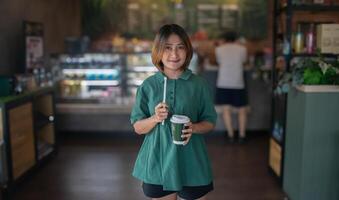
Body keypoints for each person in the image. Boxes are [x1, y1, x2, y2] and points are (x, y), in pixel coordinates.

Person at [130, 24, 217, 200]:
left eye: (180, 48)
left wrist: (193, 128)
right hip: (158, 162)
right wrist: (155, 118)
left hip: (192, 161)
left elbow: (209, 122)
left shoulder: (198, 85)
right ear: (158, 51)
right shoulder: (148, 86)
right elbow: (138, 128)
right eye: (167, 48)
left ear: (187, 51)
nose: (174, 54)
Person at [215, 31, 249, 144]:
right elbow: (244, 61)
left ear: (224, 39)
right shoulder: (242, 48)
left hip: (223, 82)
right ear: (235, 38)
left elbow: (219, 61)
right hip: (238, 82)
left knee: (226, 109)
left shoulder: (219, 49)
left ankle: (230, 135)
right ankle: (242, 136)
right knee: (242, 109)